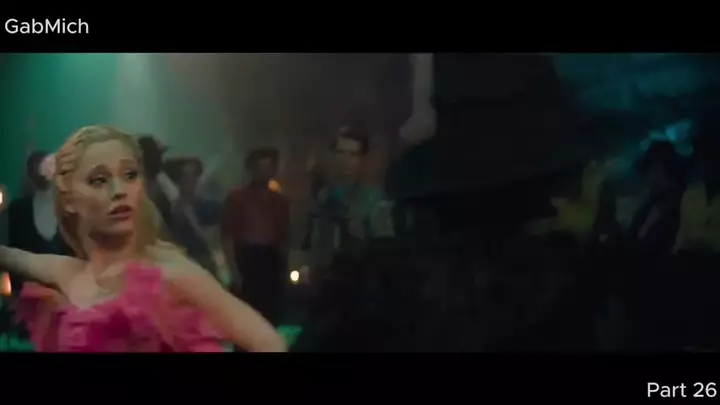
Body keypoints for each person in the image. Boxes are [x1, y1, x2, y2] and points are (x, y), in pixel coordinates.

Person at [0, 126, 285, 352]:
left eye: (130, 175)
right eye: (99, 180)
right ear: (70, 199)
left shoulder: (171, 274)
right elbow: (15, 257)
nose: (119, 190)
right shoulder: (69, 273)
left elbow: (270, 344)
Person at [305, 128, 394, 272]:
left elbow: (383, 247)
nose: (346, 159)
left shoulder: (374, 199)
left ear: (361, 159)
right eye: (341, 152)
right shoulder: (323, 195)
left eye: (353, 154)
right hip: (325, 274)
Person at [222, 147, 290, 326]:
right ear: (250, 169)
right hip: (247, 258)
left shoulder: (280, 201)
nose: (264, 172)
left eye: (268, 167)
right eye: (259, 167)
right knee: (246, 316)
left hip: (271, 260)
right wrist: (234, 270)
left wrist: (284, 268)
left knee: (270, 315)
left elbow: (284, 237)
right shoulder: (236, 198)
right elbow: (228, 236)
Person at [165, 157, 221, 279]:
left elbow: (211, 240)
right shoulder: (168, 209)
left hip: (203, 261)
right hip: (179, 264)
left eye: (194, 176)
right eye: (185, 176)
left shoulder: (209, 206)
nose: (191, 181)